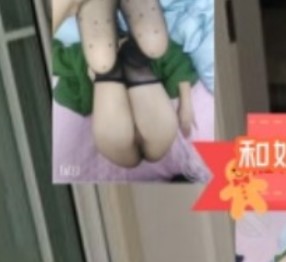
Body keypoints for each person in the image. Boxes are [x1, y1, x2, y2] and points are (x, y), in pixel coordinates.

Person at [52, 0, 193, 168]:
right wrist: (186, 103)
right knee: (125, 52)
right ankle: (125, 52)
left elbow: (176, 60)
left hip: (120, 132)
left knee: (104, 59)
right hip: (151, 132)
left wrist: (186, 105)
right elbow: (178, 61)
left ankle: (117, 55)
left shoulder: (84, 57)